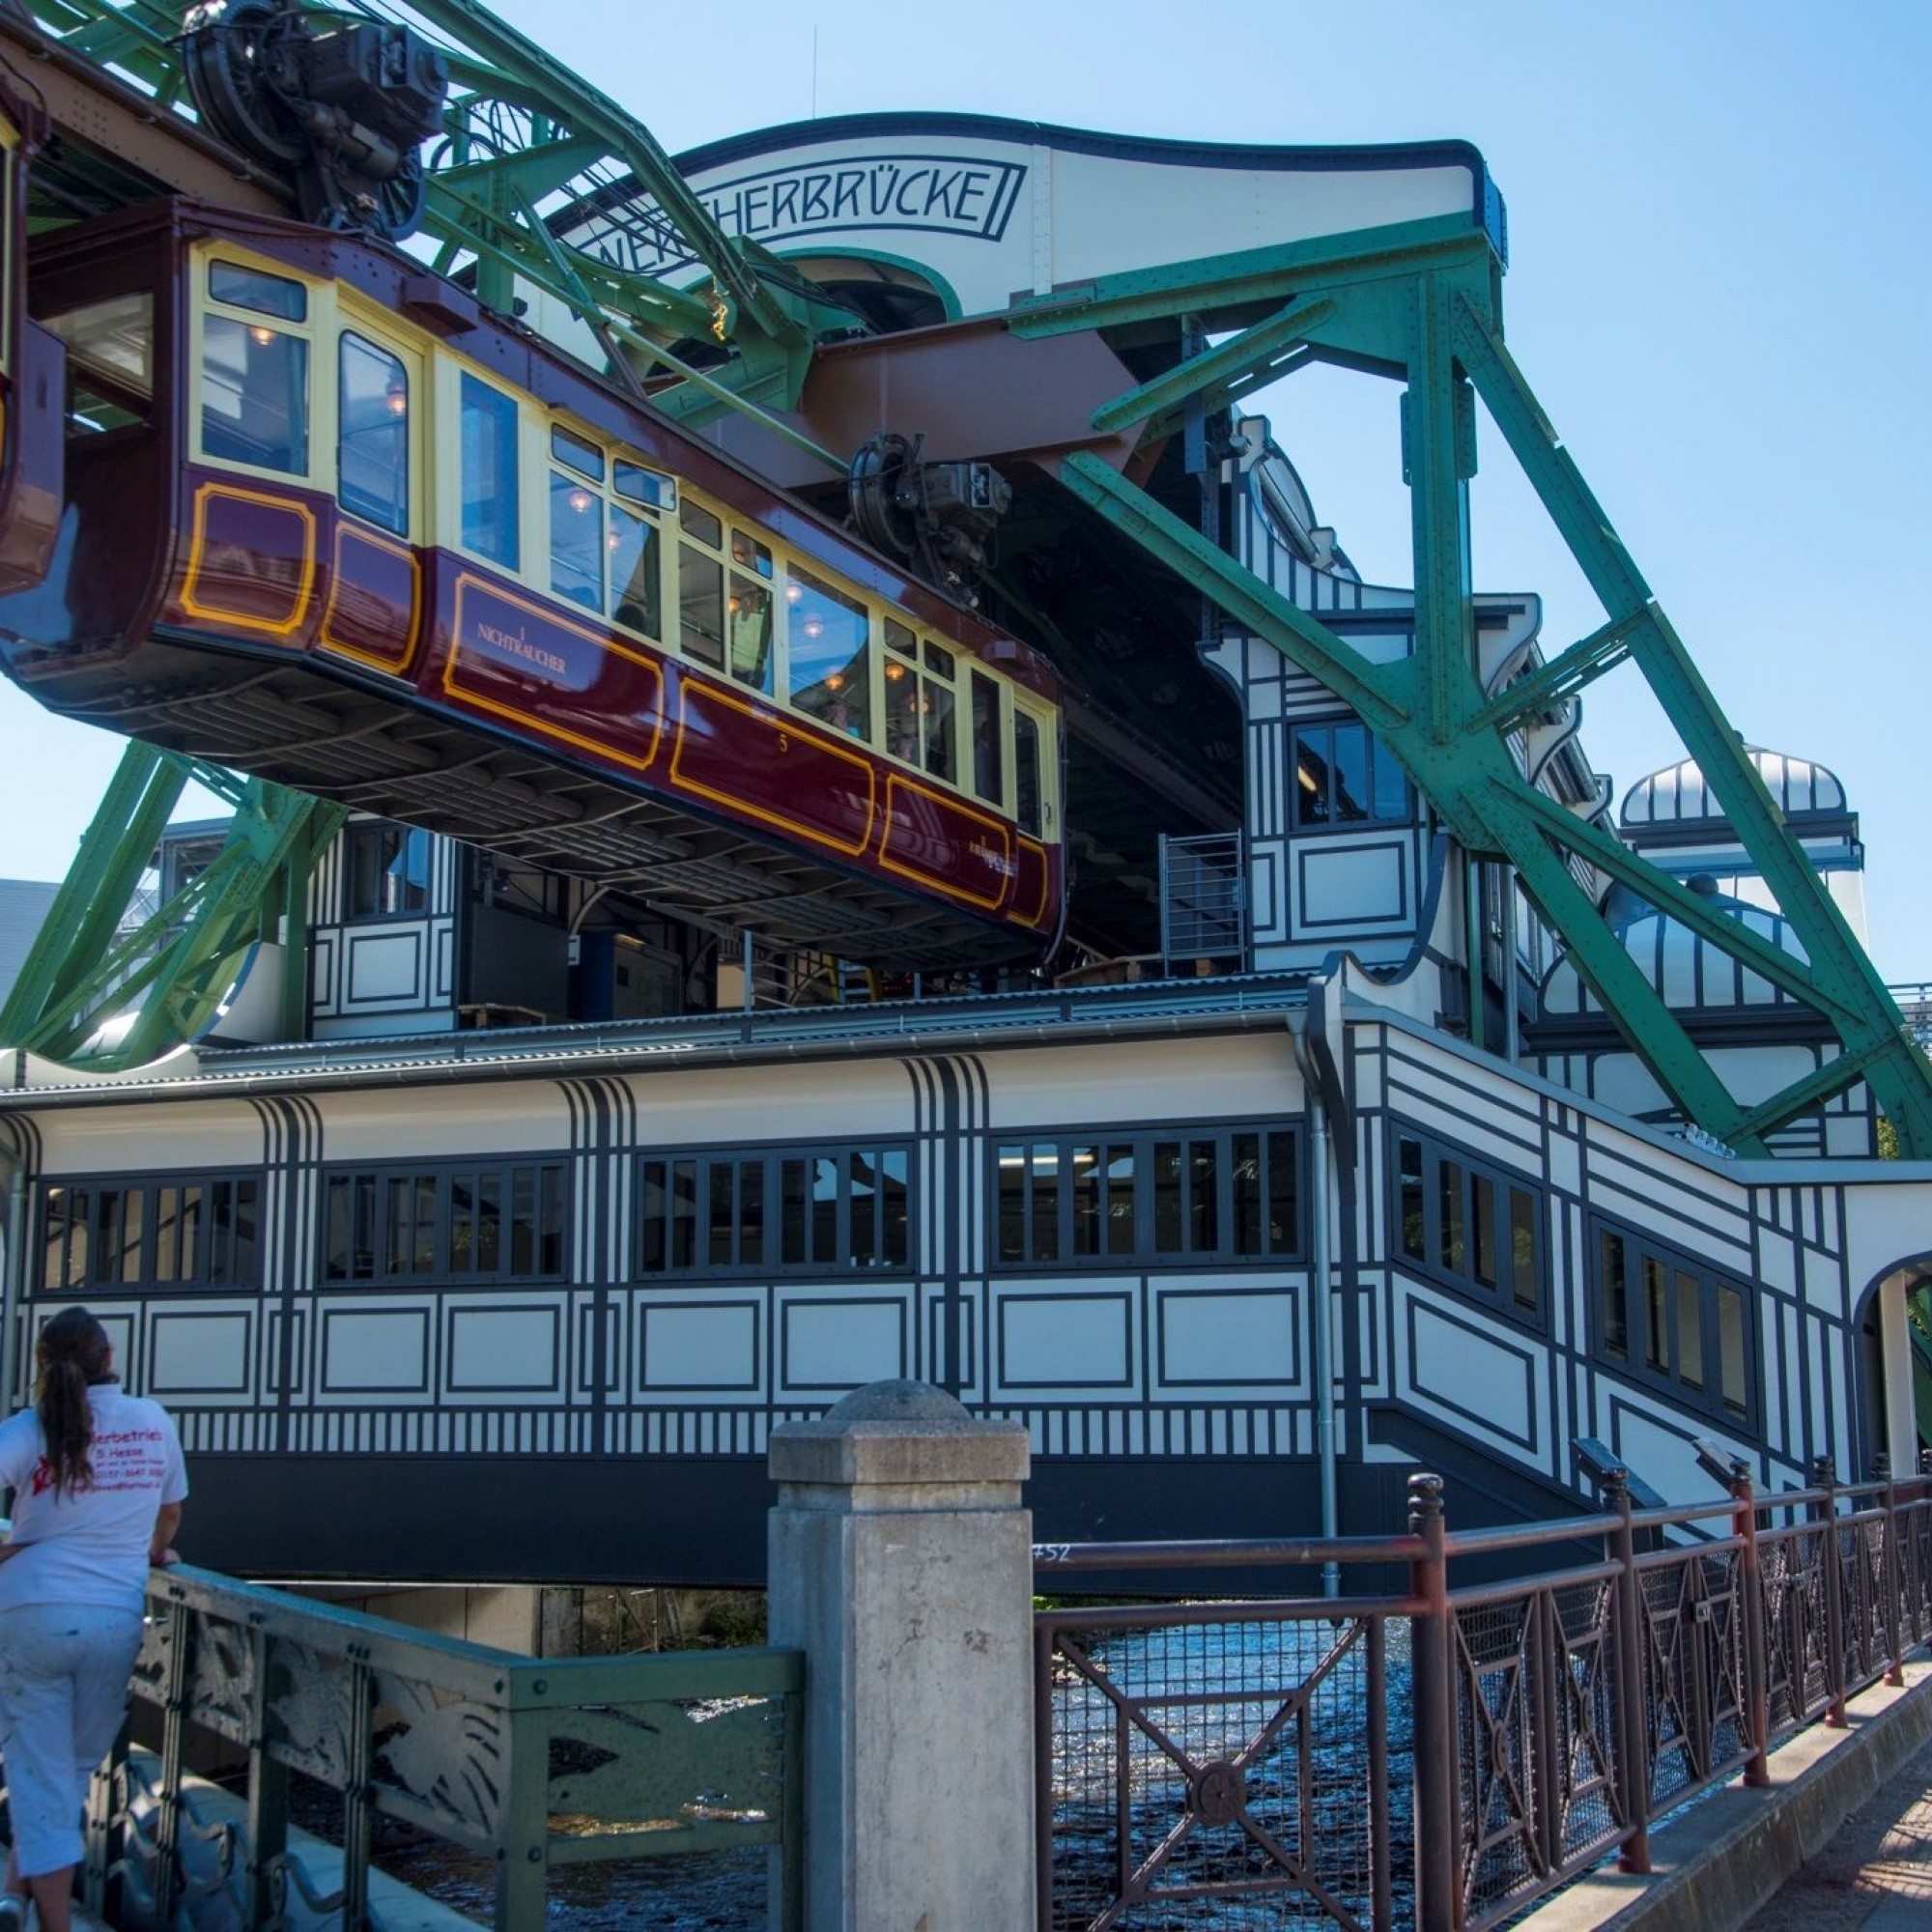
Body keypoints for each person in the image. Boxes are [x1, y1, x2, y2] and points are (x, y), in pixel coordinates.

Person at [0, 1308, 185, 1932]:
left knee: (42, 1769)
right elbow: (171, 1516)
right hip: (114, 1617)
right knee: (67, 1772)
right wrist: (155, 1553)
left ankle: (30, 1910)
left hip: (31, 1615)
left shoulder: (30, 1429)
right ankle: (32, 1908)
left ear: (43, 1367)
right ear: (109, 1359)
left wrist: (12, 1550)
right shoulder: (152, 1421)